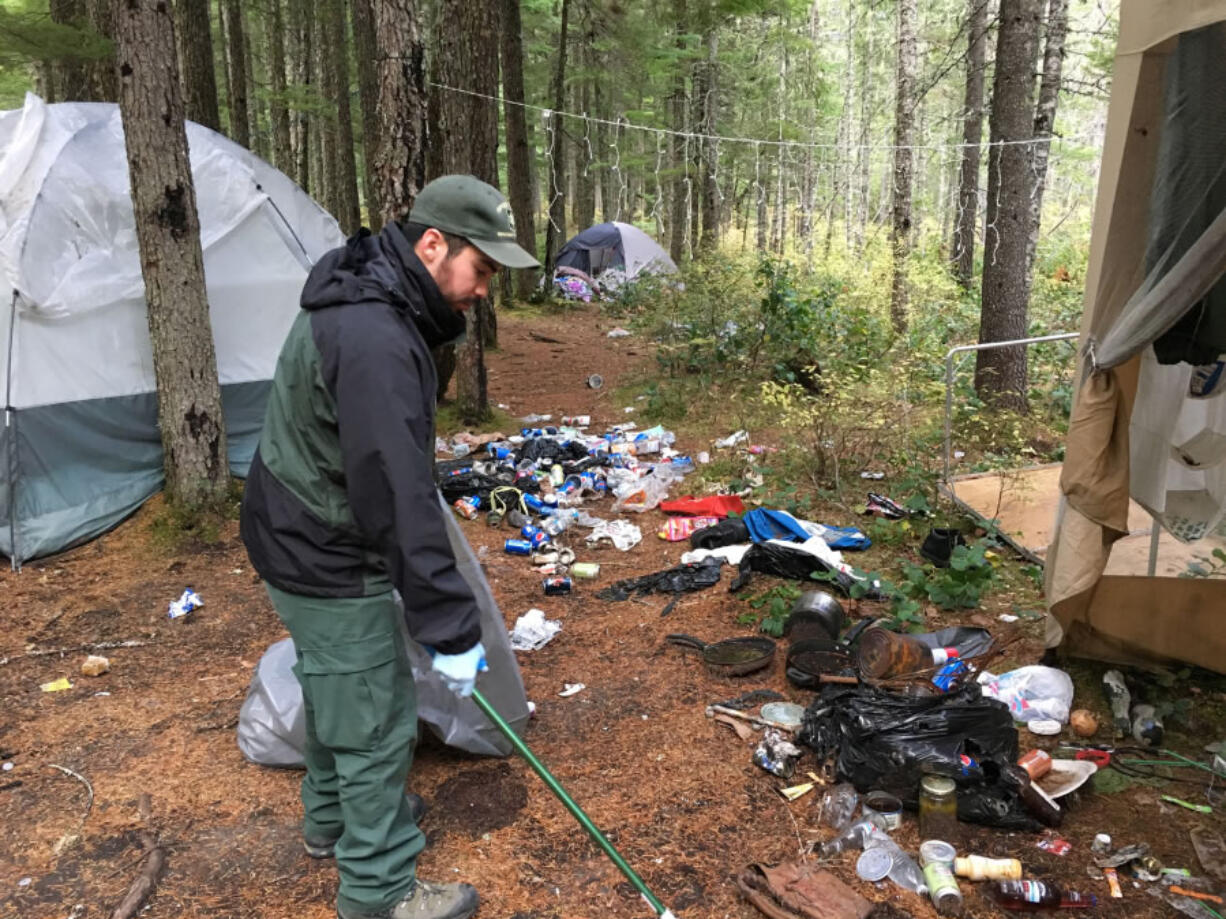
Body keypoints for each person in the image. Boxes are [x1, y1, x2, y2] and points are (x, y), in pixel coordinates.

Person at [240, 175, 539, 919]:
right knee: (374, 708)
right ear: (433, 244)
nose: (483, 291)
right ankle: (378, 889)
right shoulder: (375, 334)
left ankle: (335, 819)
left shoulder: (377, 296)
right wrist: (450, 625)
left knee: (333, 680)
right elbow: (398, 496)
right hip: (321, 542)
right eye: (482, 270)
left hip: (295, 521)